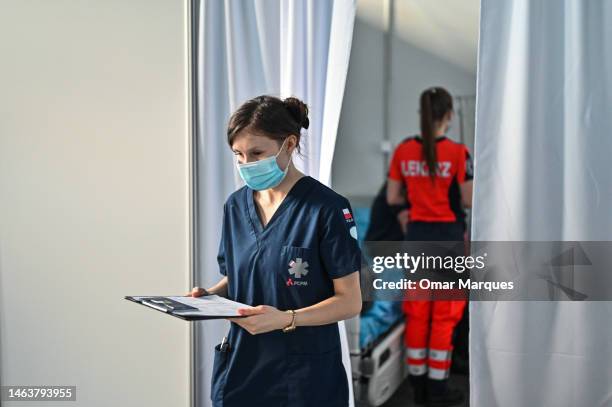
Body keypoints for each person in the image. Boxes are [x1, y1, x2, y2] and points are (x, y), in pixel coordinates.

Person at [187, 95, 363, 407]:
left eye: (257, 153)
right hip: (243, 367)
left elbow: (349, 301)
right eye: (238, 155)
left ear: (290, 145)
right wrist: (210, 297)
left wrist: (286, 318)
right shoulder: (235, 206)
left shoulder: (328, 209)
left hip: (304, 375)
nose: (246, 165)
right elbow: (241, 277)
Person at [386, 87, 473, 406]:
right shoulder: (459, 153)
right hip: (448, 240)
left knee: (418, 312)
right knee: (445, 315)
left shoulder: (404, 151)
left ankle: (418, 387)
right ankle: (438, 389)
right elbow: (468, 199)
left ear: (422, 114)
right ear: (449, 116)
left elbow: (393, 197)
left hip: (417, 240)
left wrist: (410, 210)